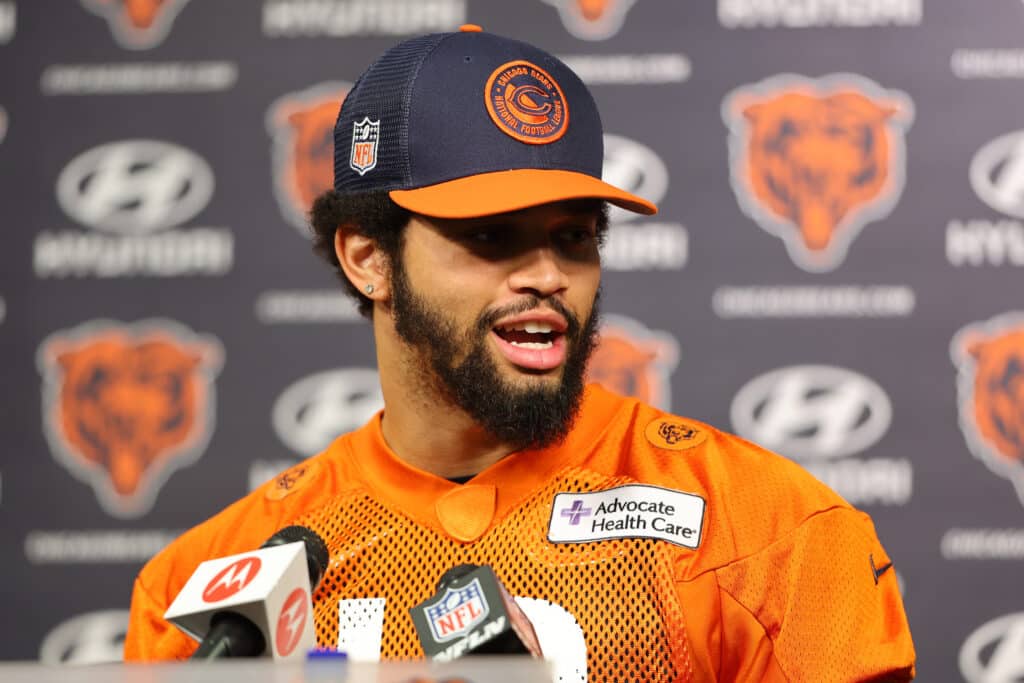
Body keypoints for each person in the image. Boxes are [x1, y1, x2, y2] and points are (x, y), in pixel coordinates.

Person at [125, 26, 916, 681]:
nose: (547, 277)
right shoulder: (207, 588)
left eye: (573, 236)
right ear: (369, 257)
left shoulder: (770, 529)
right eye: (489, 237)